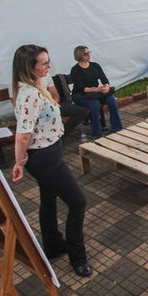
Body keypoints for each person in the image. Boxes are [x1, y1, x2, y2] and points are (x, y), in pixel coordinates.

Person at [11, 44, 92, 278]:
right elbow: (22, 135)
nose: (49, 66)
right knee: (78, 202)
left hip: (50, 150)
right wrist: (18, 162)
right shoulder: (29, 94)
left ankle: (54, 246)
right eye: (44, 63)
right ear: (30, 67)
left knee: (48, 198)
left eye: (48, 61)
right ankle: (78, 258)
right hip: (44, 157)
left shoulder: (35, 85)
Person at [70, 45, 123, 139]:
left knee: (111, 100)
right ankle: (97, 133)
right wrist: (98, 89)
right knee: (94, 104)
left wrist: (106, 86)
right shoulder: (75, 70)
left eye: (89, 53)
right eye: (85, 54)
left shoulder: (95, 66)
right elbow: (82, 89)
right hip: (80, 94)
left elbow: (104, 80)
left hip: (94, 93)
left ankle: (117, 127)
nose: (88, 55)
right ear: (79, 55)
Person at [41, 73, 90, 140]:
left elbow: (55, 95)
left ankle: (61, 136)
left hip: (52, 105)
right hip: (38, 108)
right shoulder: (27, 79)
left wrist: (53, 109)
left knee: (83, 111)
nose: (48, 67)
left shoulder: (46, 75)